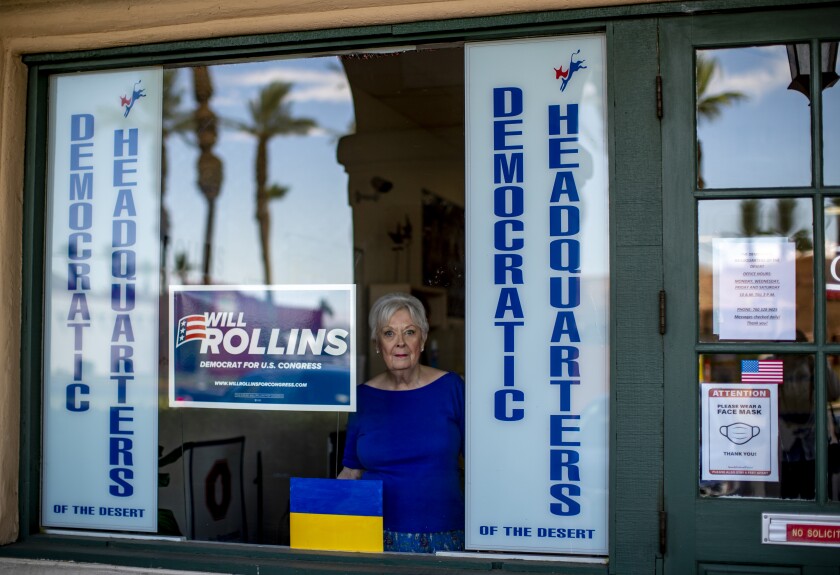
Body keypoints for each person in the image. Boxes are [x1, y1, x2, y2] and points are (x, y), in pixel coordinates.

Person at [338, 292, 465, 553]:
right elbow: (351, 472)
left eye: (409, 332)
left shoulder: (451, 387)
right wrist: (320, 516)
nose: (400, 343)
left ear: (423, 338)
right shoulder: (362, 397)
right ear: (377, 343)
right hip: (375, 539)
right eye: (389, 333)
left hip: (446, 537)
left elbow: (481, 463)